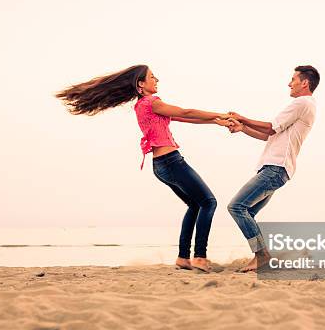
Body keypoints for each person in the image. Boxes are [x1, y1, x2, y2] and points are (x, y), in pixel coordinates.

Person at [55, 65, 232, 272]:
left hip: (160, 167)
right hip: (172, 162)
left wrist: (216, 121)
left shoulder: (142, 106)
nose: (156, 79)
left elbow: (183, 117)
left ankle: (183, 258)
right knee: (208, 202)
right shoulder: (152, 102)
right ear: (141, 84)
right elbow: (187, 111)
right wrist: (221, 113)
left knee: (195, 205)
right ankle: (199, 257)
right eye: (152, 77)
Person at [225, 65, 320, 273]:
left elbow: (269, 127)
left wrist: (242, 118)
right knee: (247, 211)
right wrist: (243, 128)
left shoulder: (301, 102)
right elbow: (269, 135)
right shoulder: (306, 105)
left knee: (236, 207)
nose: (289, 83)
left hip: (275, 169)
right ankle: (262, 255)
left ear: (305, 82)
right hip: (276, 170)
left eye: (293, 79)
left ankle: (261, 256)